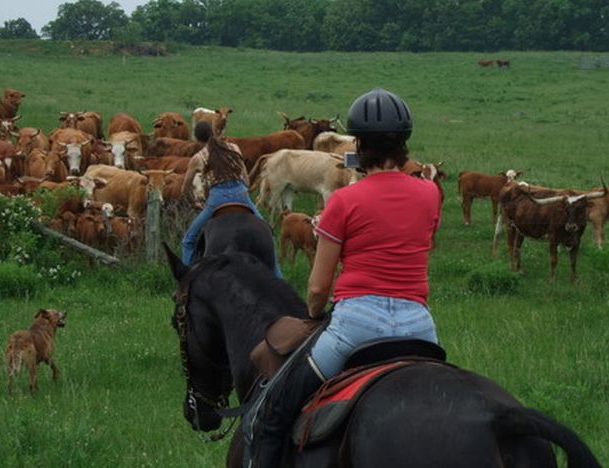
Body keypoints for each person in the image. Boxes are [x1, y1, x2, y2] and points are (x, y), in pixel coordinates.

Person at [249, 88, 441, 467]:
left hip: (356, 326)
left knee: (272, 413)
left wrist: (315, 312)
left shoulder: (343, 202)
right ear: (404, 143)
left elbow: (319, 288)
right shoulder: (430, 194)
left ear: (357, 143)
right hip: (419, 327)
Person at [180, 121, 282, 279]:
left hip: (216, 199)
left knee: (188, 240)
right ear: (214, 132)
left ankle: (188, 281)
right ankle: (278, 278)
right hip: (241, 195)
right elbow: (246, 181)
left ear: (197, 138)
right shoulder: (234, 148)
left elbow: (185, 188)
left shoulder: (198, 158)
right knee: (268, 232)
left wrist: (194, 202)